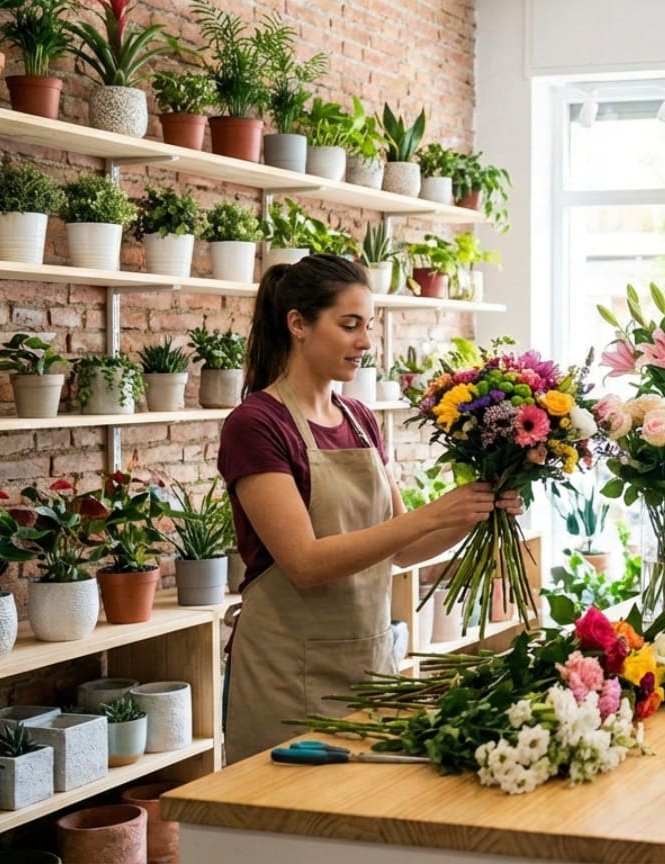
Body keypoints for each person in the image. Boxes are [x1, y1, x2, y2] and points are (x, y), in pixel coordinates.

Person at [217, 255, 520, 764]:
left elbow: (405, 548)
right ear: (298, 324)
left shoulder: (359, 418)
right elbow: (305, 563)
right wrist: (433, 512)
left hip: (371, 665)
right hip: (286, 675)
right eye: (349, 325)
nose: (365, 342)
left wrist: (474, 512)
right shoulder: (256, 424)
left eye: (369, 326)